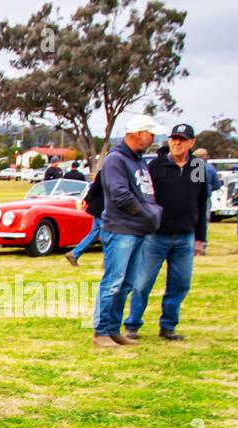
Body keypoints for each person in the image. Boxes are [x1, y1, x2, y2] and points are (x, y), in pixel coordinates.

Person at [123, 123, 207, 342]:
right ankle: (132, 325)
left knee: (180, 283)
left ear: (191, 142)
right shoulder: (156, 166)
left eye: (182, 139)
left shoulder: (198, 167)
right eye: (173, 139)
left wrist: (200, 238)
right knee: (142, 283)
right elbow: (143, 197)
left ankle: (168, 326)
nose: (177, 143)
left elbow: (201, 202)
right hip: (156, 235)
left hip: (185, 236)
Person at [91, 115, 165, 348]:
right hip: (121, 229)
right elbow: (120, 195)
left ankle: (114, 330)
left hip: (138, 231)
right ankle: (101, 331)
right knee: (113, 282)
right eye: (150, 134)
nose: (153, 139)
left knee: (127, 284)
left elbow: (145, 192)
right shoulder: (116, 160)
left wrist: (152, 213)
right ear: (138, 133)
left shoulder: (139, 160)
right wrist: (148, 214)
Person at [64, 169, 105, 266]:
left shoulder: (103, 171)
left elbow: (94, 187)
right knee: (107, 235)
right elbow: (95, 188)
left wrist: (87, 199)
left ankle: (74, 254)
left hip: (98, 208)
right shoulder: (110, 172)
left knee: (94, 234)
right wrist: (86, 199)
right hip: (102, 209)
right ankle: (107, 261)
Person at [192, 147, 220, 249]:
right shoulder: (210, 168)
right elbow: (217, 185)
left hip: (192, 198)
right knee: (204, 221)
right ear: (204, 157)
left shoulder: (191, 167)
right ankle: (201, 245)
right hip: (205, 199)